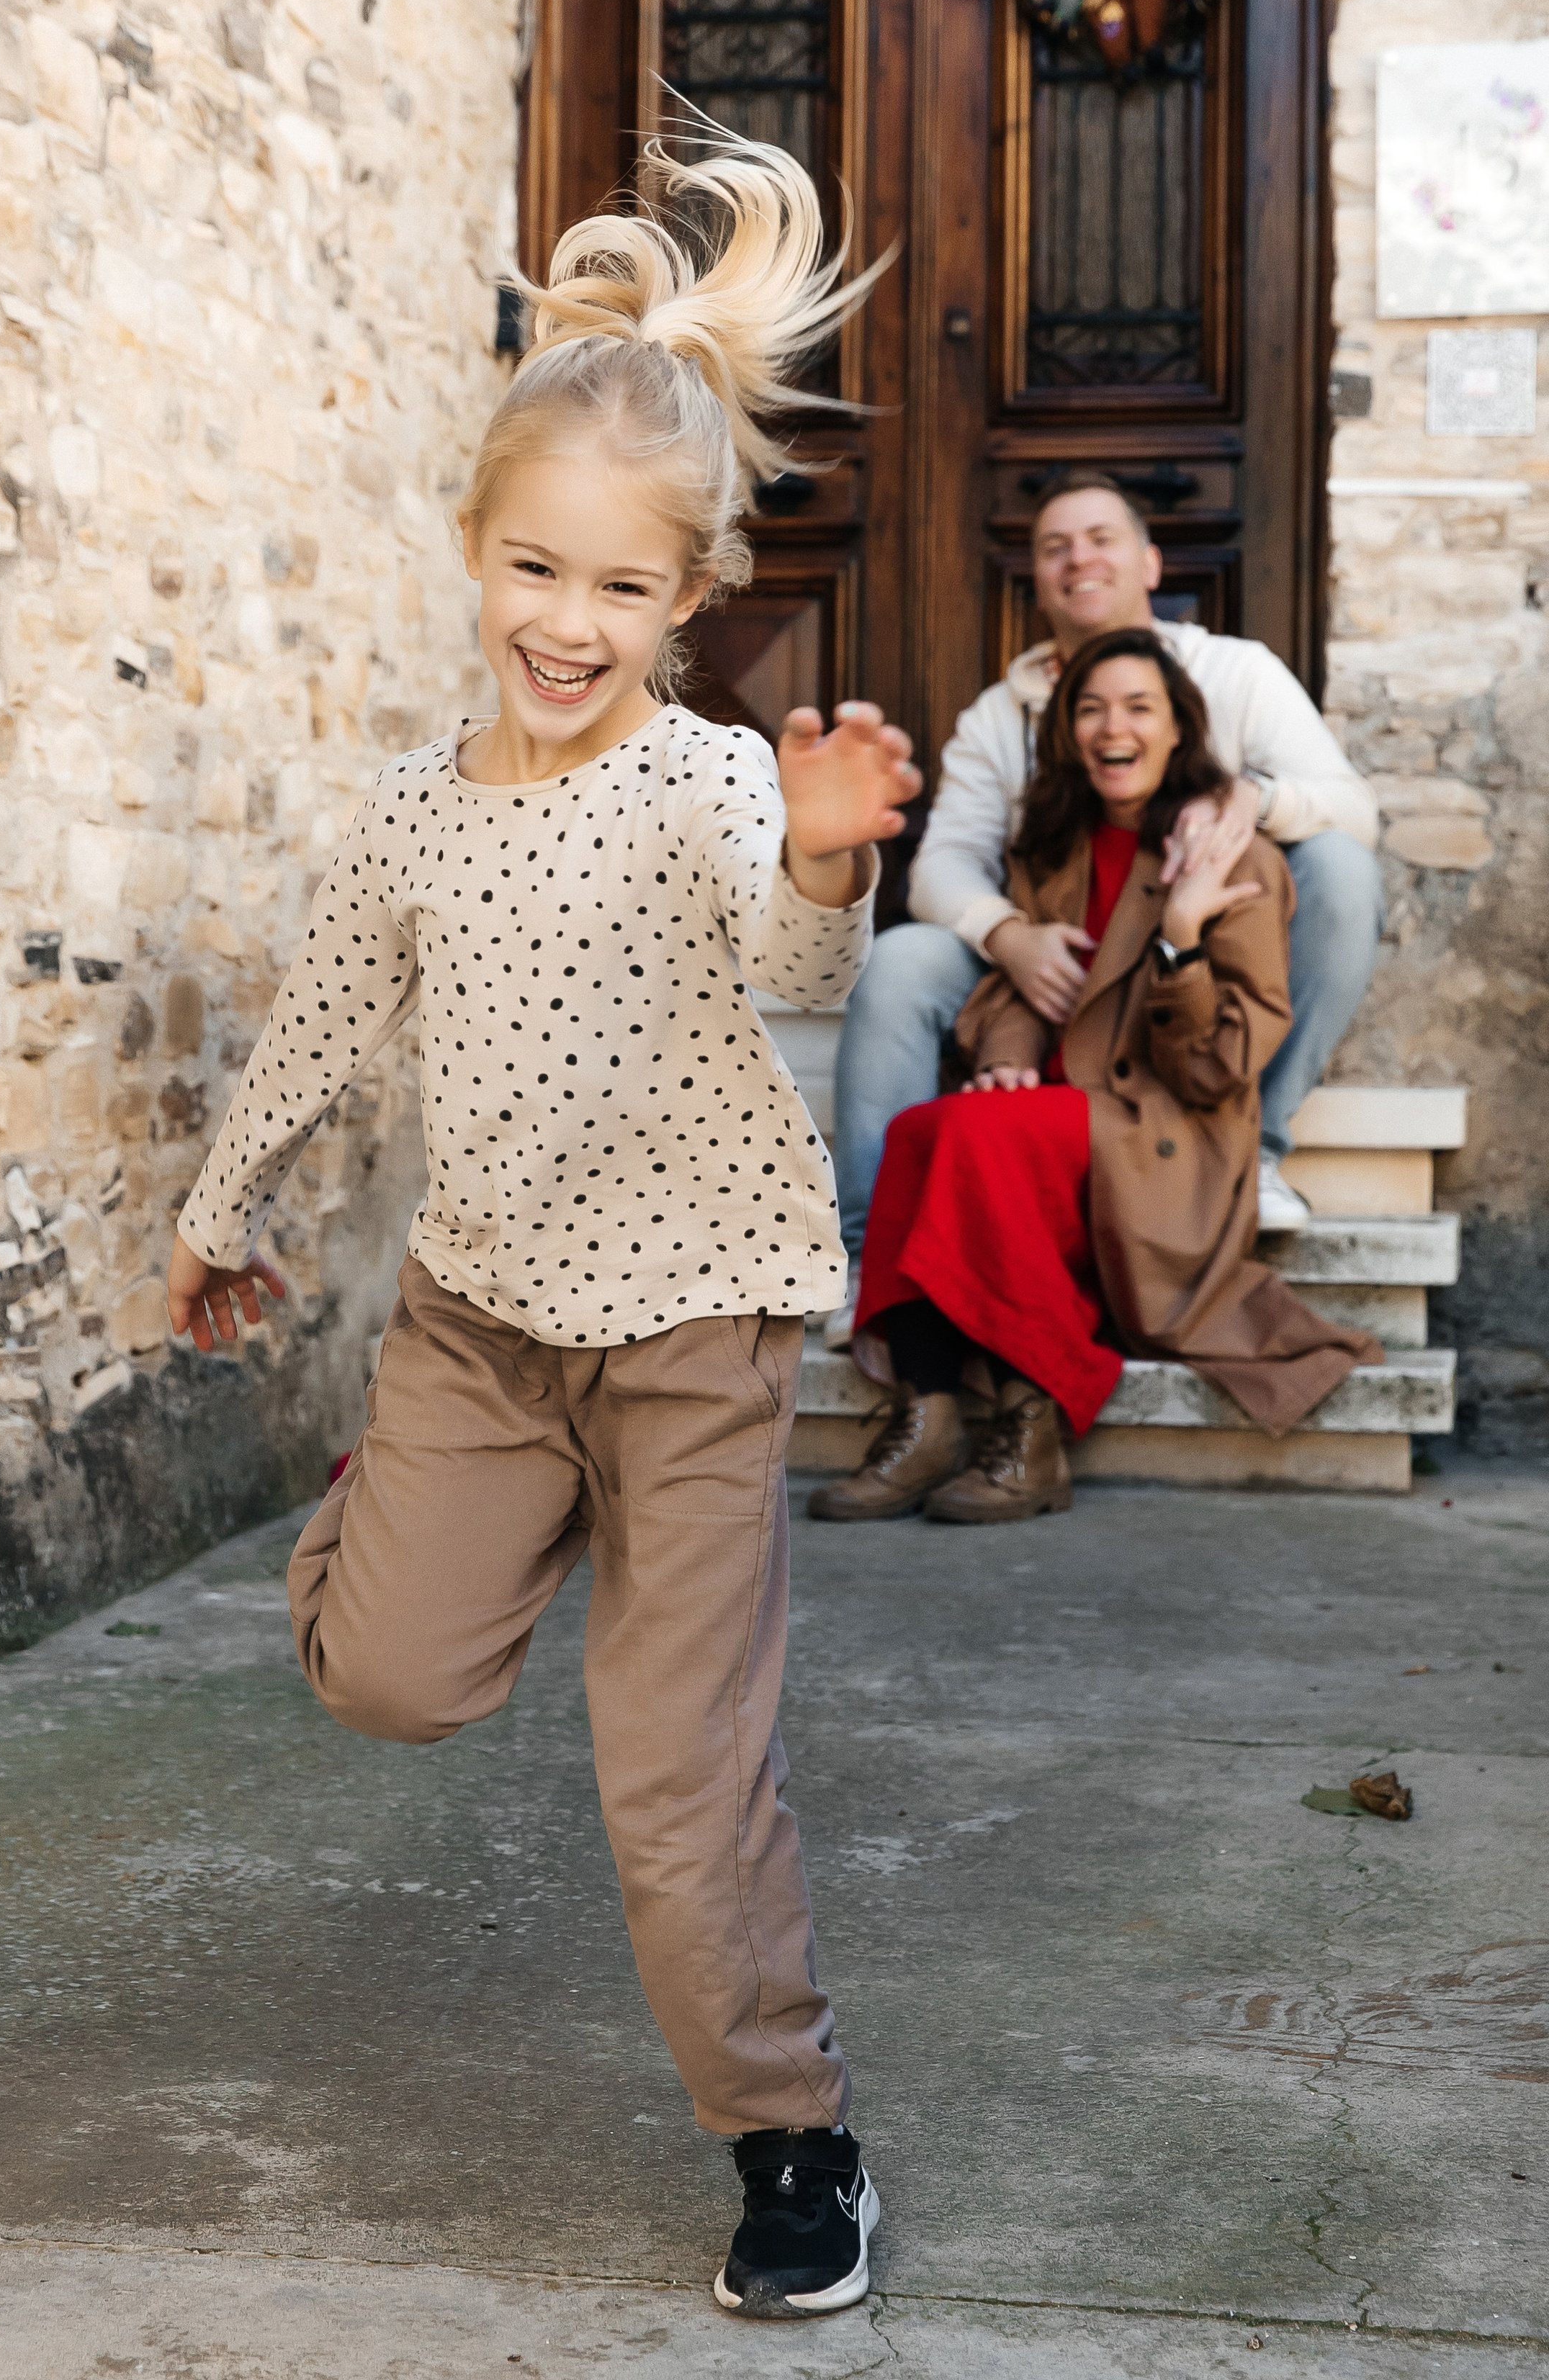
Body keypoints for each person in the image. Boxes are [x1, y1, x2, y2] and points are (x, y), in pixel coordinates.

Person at [164, 125, 921, 2320]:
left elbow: (789, 984)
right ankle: (410, 1519)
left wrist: (819, 857)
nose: (565, 623)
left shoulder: (702, 782)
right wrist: (225, 1206)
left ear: (684, 604)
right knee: (391, 1673)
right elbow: (320, 1024)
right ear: (474, 553)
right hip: (484, 1326)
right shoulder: (410, 815)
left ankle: (792, 2138)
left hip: (694, 1339)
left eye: (619, 587)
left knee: (672, 1782)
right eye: (533, 569)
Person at [811, 630, 1380, 1527]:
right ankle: (925, 1415)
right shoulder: (1053, 848)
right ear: (1070, 731)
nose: (1112, 726)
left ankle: (1035, 1424)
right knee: (925, 1130)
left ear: (1177, 729)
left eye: (1137, 707)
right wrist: (1003, 1055)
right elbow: (1016, 990)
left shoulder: (1243, 862)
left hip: (1169, 1137)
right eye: (1090, 707)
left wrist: (1183, 939)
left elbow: (1217, 1068)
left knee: (968, 1135)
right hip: (1069, 1113)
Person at [828, 469, 1381, 1340]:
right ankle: (866, 1255)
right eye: (1054, 546)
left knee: (1342, 868)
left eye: (1100, 539)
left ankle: (1257, 1145)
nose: (1077, 559)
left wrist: (1248, 800)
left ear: (1151, 563)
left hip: (1192, 979)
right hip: (1057, 974)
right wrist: (1007, 937)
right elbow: (940, 872)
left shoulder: (1235, 672)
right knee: (900, 958)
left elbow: (1352, 807)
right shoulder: (995, 719)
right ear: (1037, 579)